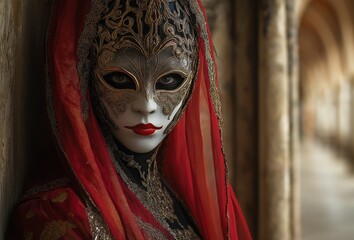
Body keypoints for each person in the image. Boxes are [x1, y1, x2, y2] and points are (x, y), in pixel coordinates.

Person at [6, 0, 251, 239]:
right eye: (121, 79)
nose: (146, 106)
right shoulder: (61, 215)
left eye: (168, 80)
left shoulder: (189, 201)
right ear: (83, 72)